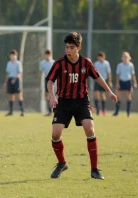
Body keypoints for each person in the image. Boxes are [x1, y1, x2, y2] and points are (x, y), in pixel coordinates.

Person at [46, 32, 117, 180]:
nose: (68, 50)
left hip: (81, 101)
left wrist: (109, 91)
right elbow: (50, 81)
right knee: (55, 134)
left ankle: (94, 170)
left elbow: (97, 77)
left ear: (79, 47)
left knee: (89, 128)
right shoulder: (59, 63)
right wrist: (52, 96)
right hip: (63, 102)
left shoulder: (86, 63)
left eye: (71, 47)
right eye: (66, 47)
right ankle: (61, 163)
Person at [113, 52, 137, 117]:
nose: (125, 58)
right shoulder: (119, 65)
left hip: (128, 82)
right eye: (124, 57)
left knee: (128, 97)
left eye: (126, 57)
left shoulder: (131, 65)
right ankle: (116, 112)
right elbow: (118, 75)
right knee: (118, 96)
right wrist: (117, 83)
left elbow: (133, 75)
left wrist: (134, 82)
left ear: (129, 58)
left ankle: (128, 113)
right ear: (122, 58)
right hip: (121, 81)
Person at [3, 50, 24, 116]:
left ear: (16, 56)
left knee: (19, 95)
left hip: (16, 80)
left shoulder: (18, 63)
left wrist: (15, 79)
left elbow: (20, 72)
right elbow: (8, 73)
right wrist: (6, 82)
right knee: (11, 96)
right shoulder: (8, 63)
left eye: (13, 55)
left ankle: (22, 111)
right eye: (11, 55)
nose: (12, 56)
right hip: (10, 80)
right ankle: (11, 112)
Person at [93, 52, 112, 116]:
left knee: (103, 95)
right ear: (98, 57)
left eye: (102, 57)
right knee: (96, 95)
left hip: (104, 80)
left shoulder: (106, 63)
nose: (100, 58)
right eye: (99, 57)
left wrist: (109, 81)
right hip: (97, 81)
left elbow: (109, 73)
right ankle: (97, 110)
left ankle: (103, 110)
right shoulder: (96, 63)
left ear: (104, 57)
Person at [39, 49, 55, 116]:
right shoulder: (42, 63)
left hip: (53, 79)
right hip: (46, 79)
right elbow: (40, 72)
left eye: (49, 54)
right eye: (46, 54)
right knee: (46, 95)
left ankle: (53, 110)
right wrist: (40, 80)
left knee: (52, 94)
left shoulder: (53, 62)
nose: (47, 56)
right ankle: (49, 110)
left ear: (51, 55)